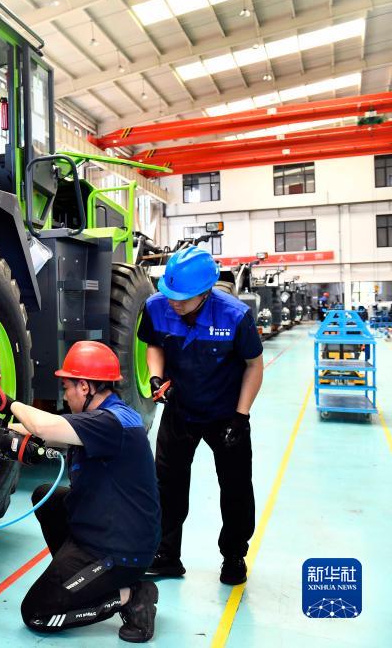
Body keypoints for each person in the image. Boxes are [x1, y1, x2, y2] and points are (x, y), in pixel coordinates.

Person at [0, 340, 161, 643]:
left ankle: (131, 594)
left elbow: (45, 428)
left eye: (67, 388)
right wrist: (0, 431)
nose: (65, 395)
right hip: (105, 529)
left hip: (120, 550)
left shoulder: (112, 423)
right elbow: (45, 433)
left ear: (84, 387)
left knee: (37, 613)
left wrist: (12, 404)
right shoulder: (106, 415)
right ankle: (76, 581)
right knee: (47, 497)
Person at [138, 246, 264, 585]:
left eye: (182, 297)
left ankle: (234, 555)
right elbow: (154, 344)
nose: (174, 303)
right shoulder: (156, 306)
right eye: (170, 294)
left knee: (236, 487)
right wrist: (156, 377)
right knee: (167, 484)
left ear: (205, 292)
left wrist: (241, 416)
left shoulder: (235, 316)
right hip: (180, 410)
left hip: (226, 414)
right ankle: (166, 555)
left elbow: (254, 365)